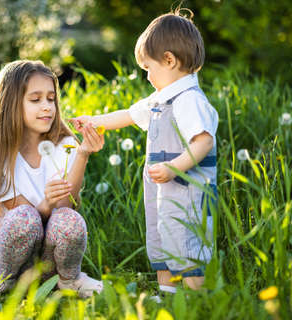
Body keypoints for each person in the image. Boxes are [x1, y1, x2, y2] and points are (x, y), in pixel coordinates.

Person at [70, 9, 218, 295]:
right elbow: (128, 114)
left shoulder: (189, 101)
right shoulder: (161, 99)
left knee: (187, 244)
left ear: (169, 60)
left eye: (148, 68)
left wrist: (175, 166)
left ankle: (200, 300)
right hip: (163, 190)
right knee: (162, 239)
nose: (147, 75)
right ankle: (168, 296)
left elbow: (203, 142)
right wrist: (94, 122)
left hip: (188, 192)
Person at [0, 60, 104, 301]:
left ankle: (69, 279)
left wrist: (83, 154)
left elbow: (66, 206)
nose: (47, 107)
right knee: (23, 218)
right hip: (17, 260)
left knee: (70, 219)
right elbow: (22, 219)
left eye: (51, 99)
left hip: (52, 261)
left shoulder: (66, 146)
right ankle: (3, 279)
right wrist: (47, 202)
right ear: (11, 105)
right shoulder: (2, 155)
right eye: (36, 100)